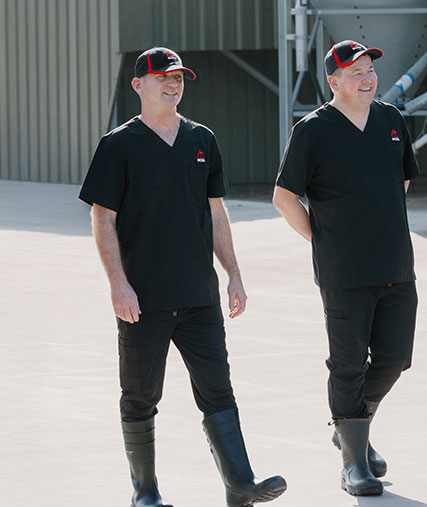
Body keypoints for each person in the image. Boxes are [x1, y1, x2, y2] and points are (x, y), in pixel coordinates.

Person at [79, 47, 286, 506]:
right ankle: (145, 493)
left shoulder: (201, 139)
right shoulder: (118, 145)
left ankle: (240, 483)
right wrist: (117, 282)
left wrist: (233, 273)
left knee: (218, 389)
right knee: (139, 395)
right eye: (162, 78)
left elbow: (215, 212)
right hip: (143, 297)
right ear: (138, 85)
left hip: (198, 295)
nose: (173, 84)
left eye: (179, 78)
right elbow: (102, 217)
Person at [272, 40, 419, 497]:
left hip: (396, 263)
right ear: (333, 82)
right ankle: (354, 461)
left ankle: (351, 425)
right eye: (354, 72)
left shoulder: (391, 121)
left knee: (396, 358)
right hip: (344, 272)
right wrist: (324, 239)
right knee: (349, 364)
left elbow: (404, 180)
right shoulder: (313, 130)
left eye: (370, 68)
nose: (367, 77)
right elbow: (284, 196)